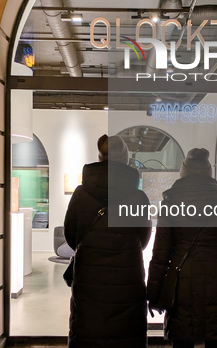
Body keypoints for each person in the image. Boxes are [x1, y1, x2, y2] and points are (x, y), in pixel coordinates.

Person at [147, 148, 217, 348]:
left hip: (181, 285)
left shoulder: (169, 205)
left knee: (182, 341)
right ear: (208, 174)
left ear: (183, 173)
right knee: (216, 340)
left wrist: (154, 294)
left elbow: (160, 256)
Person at [64, 134, 152, 348]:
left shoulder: (81, 194)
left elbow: (71, 235)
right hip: (127, 281)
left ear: (100, 157)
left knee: (89, 332)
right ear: (126, 160)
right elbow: (143, 240)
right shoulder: (138, 198)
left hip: (89, 279)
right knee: (126, 336)